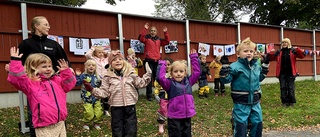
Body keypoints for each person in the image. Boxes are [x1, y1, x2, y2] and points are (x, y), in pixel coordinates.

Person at [15, 16, 72, 137]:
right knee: (36, 111)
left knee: (57, 106)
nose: (48, 27)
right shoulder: (26, 44)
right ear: (36, 26)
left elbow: (64, 61)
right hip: (35, 85)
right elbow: (18, 62)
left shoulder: (53, 44)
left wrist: (68, 70)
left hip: (54, 84)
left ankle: (60, 131)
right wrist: (12, 68)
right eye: (45, 24)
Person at [7, 47, 76, 137]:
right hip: (44, 126)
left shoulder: (57, 80)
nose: (48, 69)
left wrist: (66, 72)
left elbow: (69, 85)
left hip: (60, 123)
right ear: (33, 68)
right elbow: (17, 79)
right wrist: (15, 62)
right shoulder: (31, 84)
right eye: (44, 67)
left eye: (49, 66)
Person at [82, 50, 152, 137]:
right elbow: (104, 92)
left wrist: (148, 74)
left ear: (124, 62)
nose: (118, 61)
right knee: (117, 129)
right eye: (114, 60)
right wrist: (92, 90)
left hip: (130, 105)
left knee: (131, 129)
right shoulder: (107, 76)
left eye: (120, 59)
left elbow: (140, 83)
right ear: (111, 63)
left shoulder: (131, 74)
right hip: (116, 107)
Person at [220, 37, 269, 137]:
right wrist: (225, 67)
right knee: (241, 125)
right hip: (241, 103)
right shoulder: (235, 66)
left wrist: (265, 65)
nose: (249, 53)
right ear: (238, 54)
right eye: (245, 51)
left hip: (255, 102)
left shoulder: (256, 66)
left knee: (257, 123)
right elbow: (225, 79)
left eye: (251, 51)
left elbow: (259, 78)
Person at [156, 49, 200, 137]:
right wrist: (162, 64)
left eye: (181, 71)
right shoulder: (169, 84)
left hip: (187, 116)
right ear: (171, 73)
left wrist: (194, 58)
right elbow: (160, 78)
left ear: (185, 73)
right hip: (174, 117)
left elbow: (197, 72)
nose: (178, 74)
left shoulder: (189, 81)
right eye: (175, 72)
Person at [268, 38, 305, 107]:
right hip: (282, 73)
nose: (284, 44)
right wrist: (271, 53)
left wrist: (298, 49)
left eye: (286, 42)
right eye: (283, 42)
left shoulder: (293, 51)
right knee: (283, 87)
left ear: (289, 43)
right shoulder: (279, 52)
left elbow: (302, 56)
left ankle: (291, 102)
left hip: (291, 73)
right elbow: (271, 58)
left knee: (290, 88)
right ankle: (284, 102)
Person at [138, 22, 170, 101]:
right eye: (151, 30)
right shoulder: (147, 38)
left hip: (157, 61)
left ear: (156, 32)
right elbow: (140, 38)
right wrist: (145, 29)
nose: (152, 32)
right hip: (148, 60)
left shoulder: (159, 39)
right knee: (149, 78)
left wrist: (165, 33)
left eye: (154, 31)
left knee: (157, 77)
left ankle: (157, 94)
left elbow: (167, 41)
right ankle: (149, 96)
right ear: (150, 32)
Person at [75, 59, 103, 130]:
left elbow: (102, 85)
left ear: (95, 67)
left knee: (99, 112)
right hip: (87, 98)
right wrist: (77, 76)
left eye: (93, 65)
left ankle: (96, 123)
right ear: (86, 67)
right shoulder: (83, 76)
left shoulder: (98, 76)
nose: (91, 67)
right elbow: (77, 83)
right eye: (89, 65)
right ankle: (86, 123)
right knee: (89, 112)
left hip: (97, 97)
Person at [85, 45, 111, 116]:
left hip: (105, 79)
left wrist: (106, 52)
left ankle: (106, 110)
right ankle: (96, 108)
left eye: (102, 52)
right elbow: (87, 55)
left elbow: (111, 56)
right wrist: (93, 49)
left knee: (106, 95)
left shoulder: (106, 59)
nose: (101, 54)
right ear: (95, 53)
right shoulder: (94, 59)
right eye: (99, 52)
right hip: (97, 79)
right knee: (96, 94)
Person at [153, 57, 173, 135]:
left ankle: (171, 123)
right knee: (163, 109)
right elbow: (156, 86)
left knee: (172, 109)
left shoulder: (173, 74)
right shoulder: (160, 76)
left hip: (172, 95)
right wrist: (156, 94)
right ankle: (161, 124)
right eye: (165, 65)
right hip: (163, 95)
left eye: (169, 64)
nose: (167, 66)